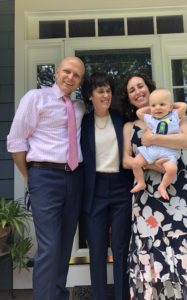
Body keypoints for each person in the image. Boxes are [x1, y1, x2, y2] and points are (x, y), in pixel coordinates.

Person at [120, 73, 187, 299]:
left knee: (180, 235)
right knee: (149, 239)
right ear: (128, 97)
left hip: (175, 190)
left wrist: (154, 140)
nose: (137, 92)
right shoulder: (129, 126)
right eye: (131, 90)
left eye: (140, 86)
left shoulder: (174, 116)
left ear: (149, 88)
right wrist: (153, 165)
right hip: (145, 193)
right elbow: (125, 159)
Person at [7, 56, 85, 300]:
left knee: (63, 247)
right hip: (44, 175)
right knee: (50, 246)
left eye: (76, 75)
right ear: (57, 72)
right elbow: (16, 142)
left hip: (74, 177)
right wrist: (30, 176)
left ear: (80, 81)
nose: (70, 77)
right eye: (67, 71)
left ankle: (59, 295)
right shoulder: (35, 98)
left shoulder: (79, 107)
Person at [81, 72, 133, 300]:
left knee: (121, 248)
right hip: (94, 190)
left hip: (121, 187)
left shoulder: (120, 117)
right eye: (100, 91)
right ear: (90, 96)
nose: (106, 95)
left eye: (108, 90)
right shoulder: (83, 122)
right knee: (98, 250)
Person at [129, 88, 187, 200]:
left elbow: (183, 105)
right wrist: (150, 108)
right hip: (153, 149)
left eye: (162, 104)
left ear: (170, 106)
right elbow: (139, 112)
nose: (158, 108)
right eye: (154, 105)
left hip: (168, 151)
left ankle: (163, 186)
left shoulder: (174, 116)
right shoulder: (151, 119)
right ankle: (141, 182)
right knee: (135, 163)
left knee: (172, 169)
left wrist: (170, 105)